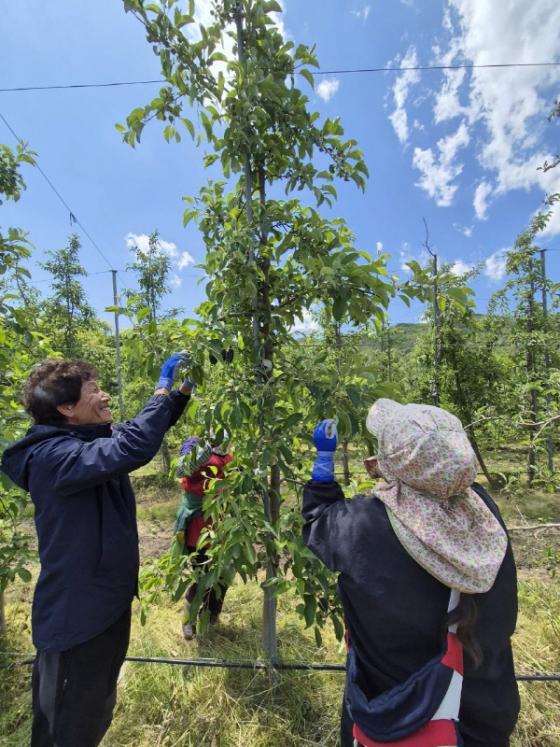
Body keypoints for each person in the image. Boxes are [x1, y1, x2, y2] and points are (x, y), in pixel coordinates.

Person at [1, 352, 194, 747]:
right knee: (64, 731)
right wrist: (159, 391)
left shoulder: (82, 441)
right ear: (66, 407)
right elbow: (133, 447)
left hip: (104, 610)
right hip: (76, 622)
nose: (106, 396)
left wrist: (182, 389)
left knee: (92, 717)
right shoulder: (51, 457)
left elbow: (136, 433)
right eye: (95, 390)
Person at [302, 399, 519, 747]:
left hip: (392, 715)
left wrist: (322, 469)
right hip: (480, 717)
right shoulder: (483, 515)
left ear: (394, 462)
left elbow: (318, 523)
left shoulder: (364, 524)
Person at [174, 431, 232, 640]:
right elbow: (182, 468)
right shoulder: (196, 444)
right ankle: (188, 620)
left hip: (223, 523)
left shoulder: (229, 449)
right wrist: (203, 450)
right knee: (202, 575)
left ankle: (211, 616)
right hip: (199, 526)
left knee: (223, 574)